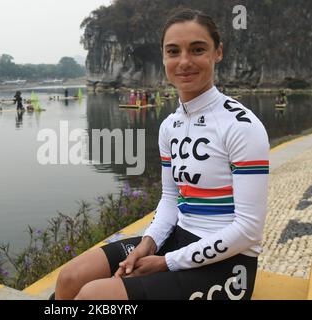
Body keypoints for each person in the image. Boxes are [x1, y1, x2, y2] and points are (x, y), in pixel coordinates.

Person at [55, 7, 269, 300]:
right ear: (164, 57)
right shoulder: (170, 126)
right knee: (70, 278)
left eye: (197, 49)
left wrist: (167, 262)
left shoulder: (242, 126)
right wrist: (149, 243)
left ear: (217, 53)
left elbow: (249, 231)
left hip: (229, 264)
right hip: (177, 239)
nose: (184, 61)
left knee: (95, 296)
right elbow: (171, 199)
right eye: (173, 51)